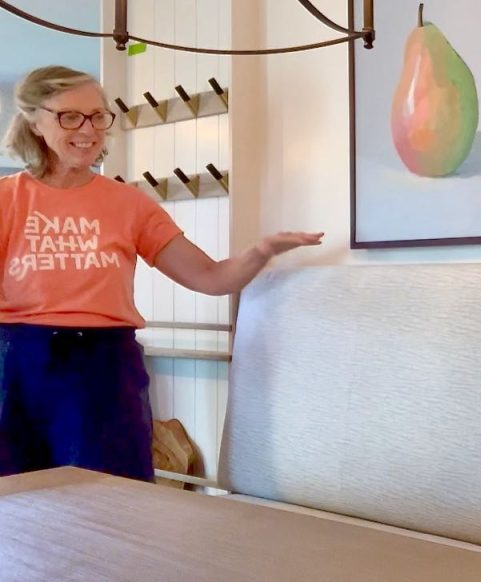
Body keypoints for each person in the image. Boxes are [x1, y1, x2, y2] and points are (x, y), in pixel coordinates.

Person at [0, 65, 322, 481]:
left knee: (115, 500)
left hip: (104, 366)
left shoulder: (129, 204)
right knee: (17, 503)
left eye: (98, 115)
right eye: (70, 116)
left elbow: (210, 277)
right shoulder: (8, 200)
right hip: (19, 363)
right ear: (35, 122)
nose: (89, 129)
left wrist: (262, 252)